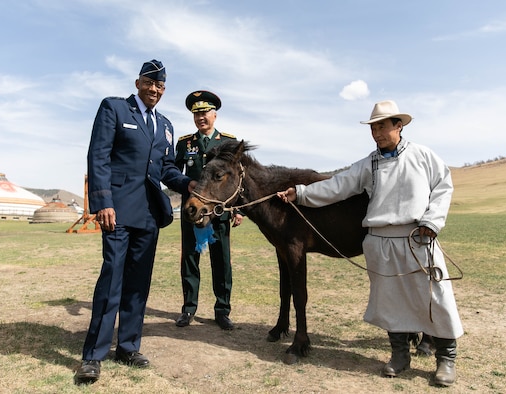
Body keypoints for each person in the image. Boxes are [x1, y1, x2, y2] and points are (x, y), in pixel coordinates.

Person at [277, 100, 463, 387]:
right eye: (373, 128)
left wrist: (432, 221)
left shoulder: (423, 155)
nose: (377, 133)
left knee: (434, 296)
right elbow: (336, 187)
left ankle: (446, 359)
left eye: (382, 127)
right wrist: (299, 193)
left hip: (418, 237)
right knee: (391, 302)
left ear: (398, 126)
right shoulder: (369, 164)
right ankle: (400, 356)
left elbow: (443, 186)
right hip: (380, 240)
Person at [74, 60, 196, 385]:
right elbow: (98, 156)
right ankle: (93, 356)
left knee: (138, 286)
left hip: (149, 215)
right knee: (112, 279)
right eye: (149, 83)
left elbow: (167, 169)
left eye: (160, 86)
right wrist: (103, 202)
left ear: (164, 89)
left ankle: (128, 347)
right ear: (138, 82)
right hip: (117, 211)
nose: (154, 90)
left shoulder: (166, 125)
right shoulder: (114, 109)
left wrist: (190, 184)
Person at [173, 90, 243, 330]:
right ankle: (188, 309)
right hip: (192, 212)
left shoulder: (228, 143)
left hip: (219, 212)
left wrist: (238, 210)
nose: (200, 118)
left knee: (221, 262)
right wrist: (184, 185)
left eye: (204, 113)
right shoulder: (185, 144)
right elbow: (172, 174)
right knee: (190, 260)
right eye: (196, 114)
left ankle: (222, 310)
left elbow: (236, 179)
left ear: (215, 115)